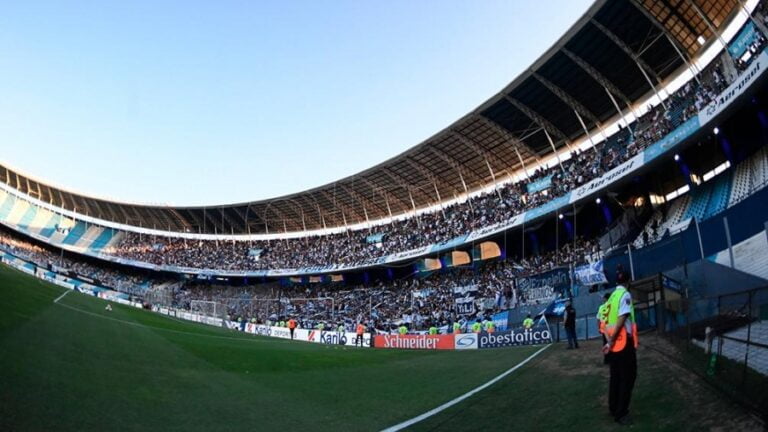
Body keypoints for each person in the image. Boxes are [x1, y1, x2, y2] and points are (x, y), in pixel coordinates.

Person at [602, 282, 638, 426]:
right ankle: (621, 412)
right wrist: (611, 341)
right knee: (628, 376)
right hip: (622, 342)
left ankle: (613, 407)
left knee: (615, 376)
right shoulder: (624, 295)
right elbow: (622, 318)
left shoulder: (610, 299)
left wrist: (608, 341)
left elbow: (604, 323)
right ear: (628, 283)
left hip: (614, 343)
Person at [597, 293, 611, 364]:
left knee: (606, 343)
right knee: (612, 343)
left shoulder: (601, 307)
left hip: (604, 329)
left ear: (606, 298)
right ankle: (610, 359)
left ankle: (607, 360)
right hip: (611, 328)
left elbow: (598, 319)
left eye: (604, 298)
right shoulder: (612, 305)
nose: (603, 299)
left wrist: (599, 327)